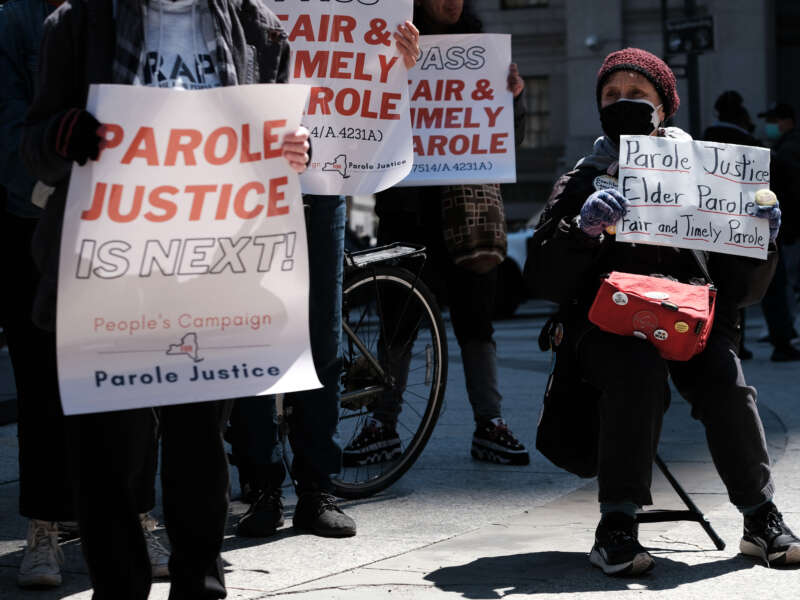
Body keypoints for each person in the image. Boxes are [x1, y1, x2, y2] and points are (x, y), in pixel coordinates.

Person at [21, 1, 310, 598]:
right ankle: (119, 587)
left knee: (199, 442)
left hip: (214, 268)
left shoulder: (260, 29)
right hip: (108, 268)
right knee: (107, 449)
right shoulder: (79, 24)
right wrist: (61, 134)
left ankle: (200, 582)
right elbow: (33, 143)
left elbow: (277, 144)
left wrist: (292, 151)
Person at [528, 48, 800, 576]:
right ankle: (617, 526)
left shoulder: (710, 178)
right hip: (609, 324)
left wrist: (762, 239)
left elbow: (741, 289)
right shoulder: (582, 179)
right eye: (611, 96)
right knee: (638, 375)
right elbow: (542, 276)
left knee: (725, 380)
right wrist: (580, 232)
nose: (622, 103)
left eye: (637, 95)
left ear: (665, 107)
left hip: (689, 317)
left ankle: (761, 518)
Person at [229, 20, 422, 539]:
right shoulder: (244, 16)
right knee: (252, 333)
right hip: (249, 183)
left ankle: (317, 488)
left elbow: (375, 96)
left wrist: (401, 66)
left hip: (323, 184)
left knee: (321, 341)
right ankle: (262, 486)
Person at [0, 0, 170, 588]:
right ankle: (44, 526)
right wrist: (69, 196)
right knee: (43, 383)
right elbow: (11, 130)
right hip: (38, 229)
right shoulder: (18, 22)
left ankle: (141, 515)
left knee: (136, 376)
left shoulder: (125, 15)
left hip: (129, 228)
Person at [344, 0, 531, 467]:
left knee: (476, 322)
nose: (453, 1)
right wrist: (393, 68)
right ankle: (383, 425)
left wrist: (515, 97)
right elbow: (367, 117)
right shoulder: (387, 43)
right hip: (406, 210)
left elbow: (509, 138)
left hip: (466, 213)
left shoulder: (480, 51)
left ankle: (490, 425)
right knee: (398, 323)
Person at [702, 90, 762, 360]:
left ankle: (714, 336)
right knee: (737, 287)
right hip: (741, 224)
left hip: (709, 220)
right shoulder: (749, 141)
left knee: (716, 283)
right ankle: (737, 341)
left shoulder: (705, 138)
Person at [757, 102, 800, 361]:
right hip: (788, 227)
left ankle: (785, 334)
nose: (770, 125)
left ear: (786, 121)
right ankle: (785, 333)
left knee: (785, 282)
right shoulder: (786, 147)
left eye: (774, 120)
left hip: (789, 228)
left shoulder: (789, 150)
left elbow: (793, 192)